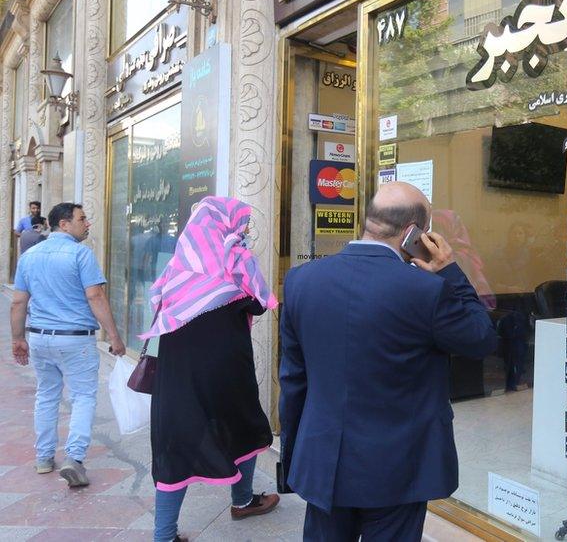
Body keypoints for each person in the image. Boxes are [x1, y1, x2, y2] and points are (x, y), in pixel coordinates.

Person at [279, 182, 498, 541]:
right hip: (398, 469)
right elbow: (481, 339)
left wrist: (296, 460)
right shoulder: (428, 291)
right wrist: (449, 271)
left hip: (323, 462)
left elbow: (293, 381)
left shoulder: (302, 280)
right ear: (414, 234)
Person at [140, 197, 280, 542]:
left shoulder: (175, 267)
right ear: (224, 225)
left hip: (178, 376)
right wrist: (243, 257)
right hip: (227, 372)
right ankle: (243, 500)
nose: (245, 229)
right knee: (243, 426)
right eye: (242, 222)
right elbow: (260, 304)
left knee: (175, 444)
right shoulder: (234, 261)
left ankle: (164, 535)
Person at [9, 202, 125, 486]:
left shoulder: (29, 256)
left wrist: (17, 339)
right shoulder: (80, 254)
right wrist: (114, 336)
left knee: (46, 395)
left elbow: (18, 300)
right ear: (63, 224)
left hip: (40, 337)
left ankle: (44, 458)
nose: (87, 224)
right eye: (82, 219)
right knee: (83, 396)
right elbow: (95, 296)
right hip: (75, 339)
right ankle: (75, 458)